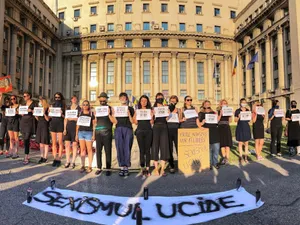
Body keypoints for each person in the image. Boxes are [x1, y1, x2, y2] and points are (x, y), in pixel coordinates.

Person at [95, 92, 117, 176]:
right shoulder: (97, 109)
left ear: (106, 99)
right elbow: (95, 122)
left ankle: (108, 168)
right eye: (101, 98)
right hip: (98, 132)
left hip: (107, 132)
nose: (102, 100)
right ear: (99, 99)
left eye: (104, 98)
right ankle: (99, 167)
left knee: (108, 151)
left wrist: (108, 114)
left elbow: (114, 121)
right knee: (98, 151)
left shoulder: (110, 108)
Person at [114, 92, 134, 177]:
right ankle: (122, 167)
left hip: (128, 128)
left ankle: (127, 167)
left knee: (127, 147)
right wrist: (112, 114)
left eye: (124, 98)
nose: (123, 99)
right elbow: (115, 121)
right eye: (121, 98)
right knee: (119, 147)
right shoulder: (116, 109)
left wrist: (129, 114)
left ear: (126, 99)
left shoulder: (130, 108)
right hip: (118, 128)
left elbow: (133, 121)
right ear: (119, 99)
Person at [133, 95, 153, 178]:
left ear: (147, 102)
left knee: (148, 150)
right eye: (142, 100)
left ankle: (147, 168)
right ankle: (142, 168)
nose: (144, 102)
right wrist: (135, 115)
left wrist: (152, 116)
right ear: (140, 102)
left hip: (148, 131)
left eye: (145, 100)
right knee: (141, 150)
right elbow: (135, 122)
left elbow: (152, 122)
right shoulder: (137, 110)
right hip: (140, 131)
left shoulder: (150, 110)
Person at [198, 100, 220, 169]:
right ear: (203, 105)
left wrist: (218, 115)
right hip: (206, 133)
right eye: (206, 104)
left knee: (216, 149)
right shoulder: (201, 114)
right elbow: (199, 124)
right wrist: (202, 122)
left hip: (215, 132)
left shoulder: (214, 113)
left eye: (208, 104)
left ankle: (215, 163)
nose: (207, 105)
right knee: (208, 150)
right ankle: (209, 163)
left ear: (210, 105)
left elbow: (217, 122)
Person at [152, 93, 170, 176]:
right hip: (155, 127)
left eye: (161, 97)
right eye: (158, 97)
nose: (159, 98)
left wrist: (169, 114)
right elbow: (151, 121)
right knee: (155, 147)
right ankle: (156, 168)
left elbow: (166, 119)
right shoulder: (153, 108)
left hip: (164, 127)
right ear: (156, 98)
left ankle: (162, 169)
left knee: (164, 147)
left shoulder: (165, 108)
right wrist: (152, 115)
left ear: (163, 99)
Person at [76, 100, 96, 173]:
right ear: (82, 106)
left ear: (89, 105)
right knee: (82, 149)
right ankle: (83, 165)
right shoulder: (80, 113)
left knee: (89, 149)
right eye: (83, 104)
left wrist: (94, 135)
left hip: (89, 133)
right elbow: (77, 125)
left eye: (86, 104)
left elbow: (94, 125)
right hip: (81, 132)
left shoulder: (91, 114)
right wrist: (76, 134)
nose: (85, 106)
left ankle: (90, 166)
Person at [63, 95, 81, 169]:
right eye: (72, 98)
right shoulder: (68, 108)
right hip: (68, 128)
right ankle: (67, 161)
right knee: (67, 145)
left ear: (77, 100)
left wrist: (74, 119)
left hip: (75, 128)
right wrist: (64, 129)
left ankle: (73, 161)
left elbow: (80, 119)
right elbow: (65, 119)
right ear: (71, 100)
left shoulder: (79, 108)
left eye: (75, 98)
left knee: (74, 145)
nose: (74, 100)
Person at [49, 92, 66, 167]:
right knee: (54, 142)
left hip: (60, 124)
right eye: (56, 97)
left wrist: (62, 114)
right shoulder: (52, 105)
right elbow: (50, 117)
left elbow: (66, 117)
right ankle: (54, 158)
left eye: (58, 97)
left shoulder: (64, 106)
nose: (57, 99)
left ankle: (59, 158)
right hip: (53, 124)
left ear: (61, 98)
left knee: (60, 142)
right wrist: (49, 112)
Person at [20, 92, 36, 165]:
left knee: (27, 138)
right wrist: (20, 113)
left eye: (25, 96)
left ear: (29, 96)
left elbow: (38, 112)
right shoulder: (23, 104)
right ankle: (27, 154)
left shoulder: (34, 103)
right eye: (23, 96)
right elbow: (20, 113)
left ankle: (26, 156)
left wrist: (31, 111)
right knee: (24, 139)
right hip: (23, 122)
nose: (24, 97)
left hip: (30, 122)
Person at [234, 98, 251, 163]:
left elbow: (249, 121)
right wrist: (238, 117)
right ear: (240, 103)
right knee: (240, 143)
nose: (244, 103)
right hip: (240, 128)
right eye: (242, 102)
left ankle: (246, 157)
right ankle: (241, 157)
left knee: (246, 143)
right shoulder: (237, 111)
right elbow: (235, 120)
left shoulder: (247, 110)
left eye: (245, 102)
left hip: (246, 127)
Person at [167, 95, 180, 173]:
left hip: (177, 129)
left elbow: (180, 119)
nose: (173, 101)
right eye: (172, 100)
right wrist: (169, 112)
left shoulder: (178, 109)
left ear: (176, 102)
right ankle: (171, 165)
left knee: (179, 147)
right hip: (168, 129)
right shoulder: (166, 108)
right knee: (170, 148)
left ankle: (181, 164)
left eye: (174, 100)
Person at [35, 97, 50, 163]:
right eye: (39, 102)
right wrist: (35, 115)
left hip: (45, 125)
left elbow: (48, 119)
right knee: (41, 142)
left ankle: (45, 157)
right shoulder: (39, 109)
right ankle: (41, 156)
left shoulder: (48, 109)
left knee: (45, 142)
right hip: (39, 125)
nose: (39, 103)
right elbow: (38, 119)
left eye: (40, 102)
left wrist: (44, 113)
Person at [217, 99, 233, 165]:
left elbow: (230, 121)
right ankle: (223, 158)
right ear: (221, 104)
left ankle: (227, 158)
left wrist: (230, 115)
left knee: (227, 143)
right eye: (223, 103)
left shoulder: (228, 111)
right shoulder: (218, 111)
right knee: (222, 143)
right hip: (220, 127)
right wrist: (220, 114)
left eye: (225, 103)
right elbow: (217, 120)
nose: (224, 104)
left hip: (226, 127)